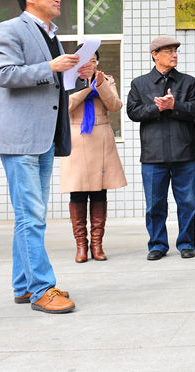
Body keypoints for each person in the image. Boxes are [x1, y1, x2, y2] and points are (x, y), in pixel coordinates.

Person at [0, 0, 78, 313]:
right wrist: (51, 66)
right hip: (21, 139)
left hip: (44, 138)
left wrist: (74, 73)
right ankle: (43, 289)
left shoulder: (51, 34)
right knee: (32, 216)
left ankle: (24, 286)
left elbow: (52, 85)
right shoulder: (10, 29)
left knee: (29, 216)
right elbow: (3, 74)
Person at [127, 36, 195, 260]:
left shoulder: (188, 82)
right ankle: (157, 245)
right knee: (155, 205)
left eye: (175, 51)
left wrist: (174, 105)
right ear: (155, 55)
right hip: (153, 154)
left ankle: (186, 243)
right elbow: (133, 112)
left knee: (187, 202)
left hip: (184, 152)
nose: (174, 55)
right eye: (168, 51)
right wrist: (157, 108)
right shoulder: (140, 84)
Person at [60, 48, 127, 263]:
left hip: (101, 138)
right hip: (76, 138)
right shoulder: (67, 80)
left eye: (94, 60)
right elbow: (64, 108)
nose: (90, 64)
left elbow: (115, 106)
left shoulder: (105, 79)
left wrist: (99, 84)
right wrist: (87, 89)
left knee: (99, 192)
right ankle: (81, 246)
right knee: (77, 192)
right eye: (86, 60)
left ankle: (97, 245)